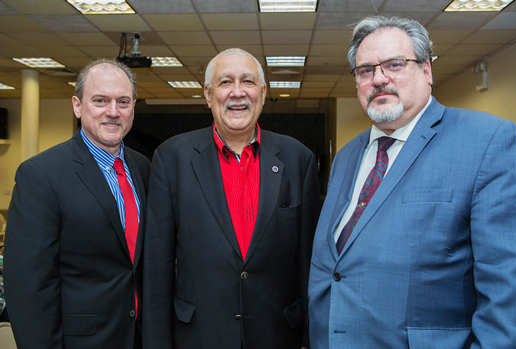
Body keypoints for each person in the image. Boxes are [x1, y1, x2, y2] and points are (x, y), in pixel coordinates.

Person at [308, 16, 516, 349]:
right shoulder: (348, 155)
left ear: (426, 71)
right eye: (366, 70)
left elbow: (509, 290)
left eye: (394, 64)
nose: (379, 78)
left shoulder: (488, 142)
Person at [142, 48, 320, 349]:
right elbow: (157, 267)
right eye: (225, 82)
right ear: (208, 95)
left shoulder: (298, 158)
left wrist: (308, 339)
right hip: (198, 336)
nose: (237, 93)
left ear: (262, 93)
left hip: (278, 336)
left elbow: (308, 261)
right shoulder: (171, 159)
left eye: (248, 82)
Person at [4, 59, 150, 349]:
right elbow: (28, 287)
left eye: (123, 101)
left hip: (139, 337)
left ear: (133, 106)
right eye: (100, 100)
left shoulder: (143, 167)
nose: (113, 111)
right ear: (77, 105)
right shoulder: (41, 174)